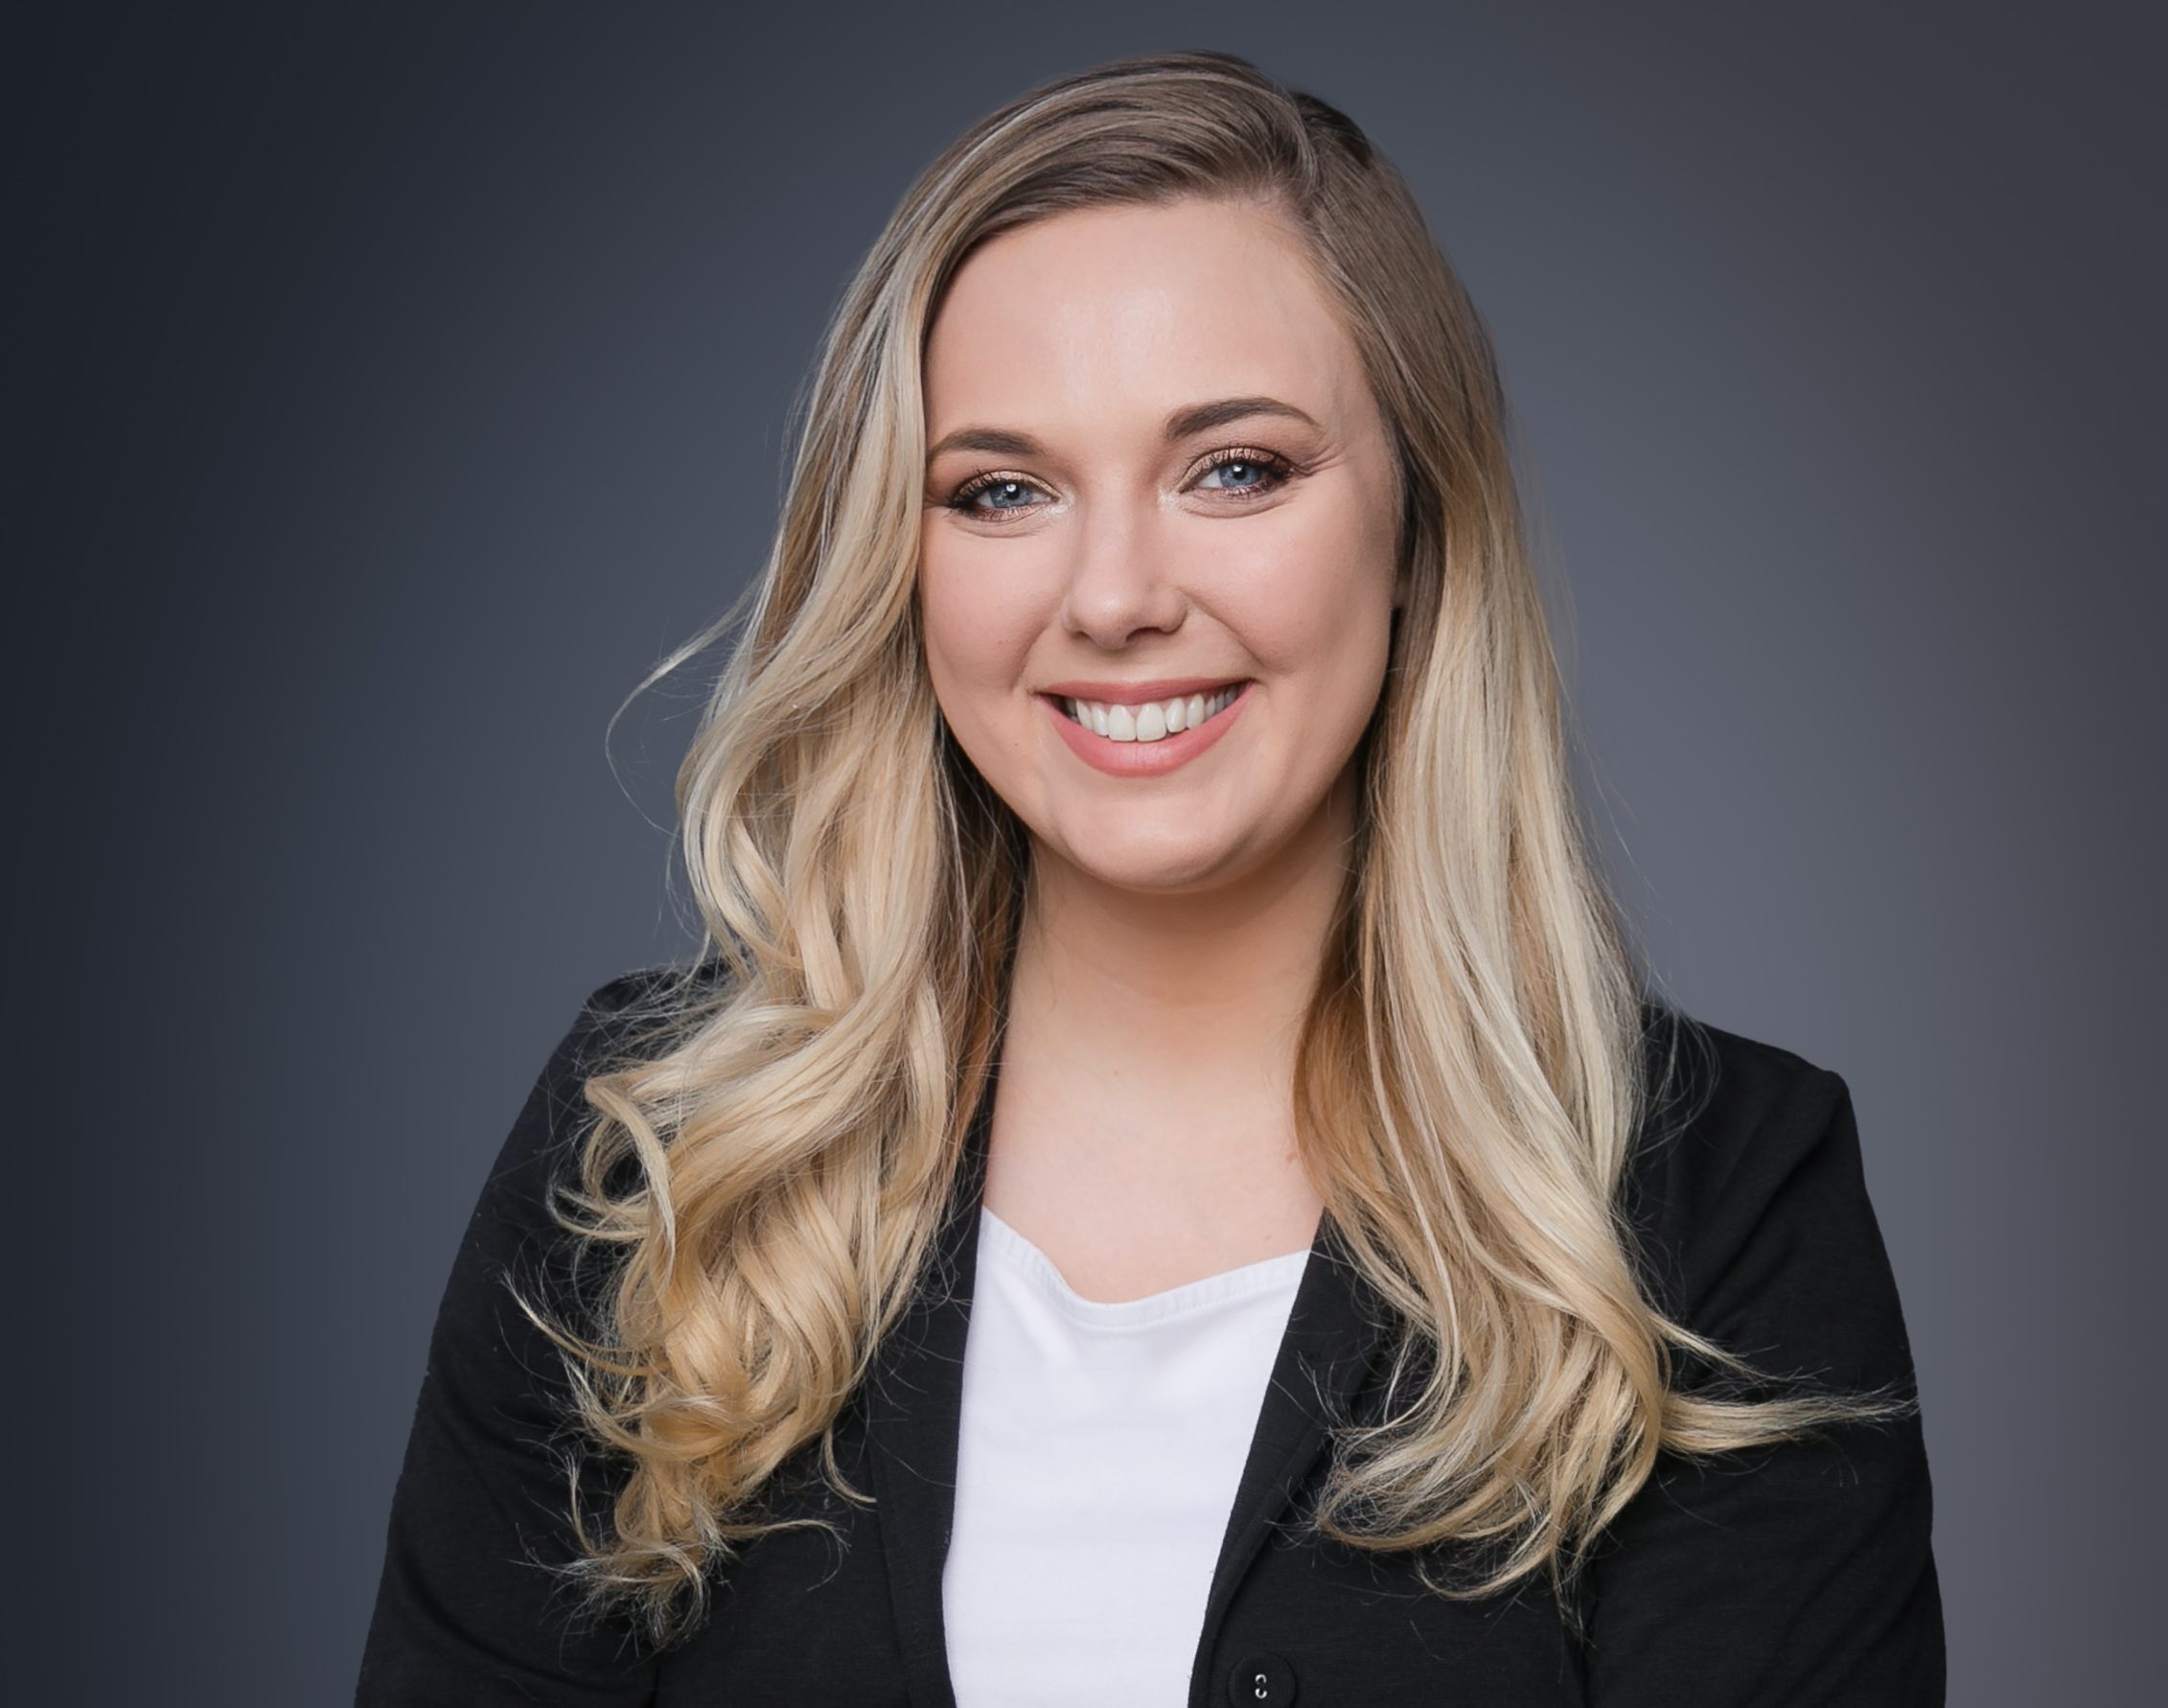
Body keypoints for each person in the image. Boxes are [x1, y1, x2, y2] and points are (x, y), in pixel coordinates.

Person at [356, 49, 1944, 1706]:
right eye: (1004, 490)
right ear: (898, 566)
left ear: (1417, 526)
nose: (1113, 594)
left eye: (1235, 468)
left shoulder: (1717, 1204)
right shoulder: (660, 1168)